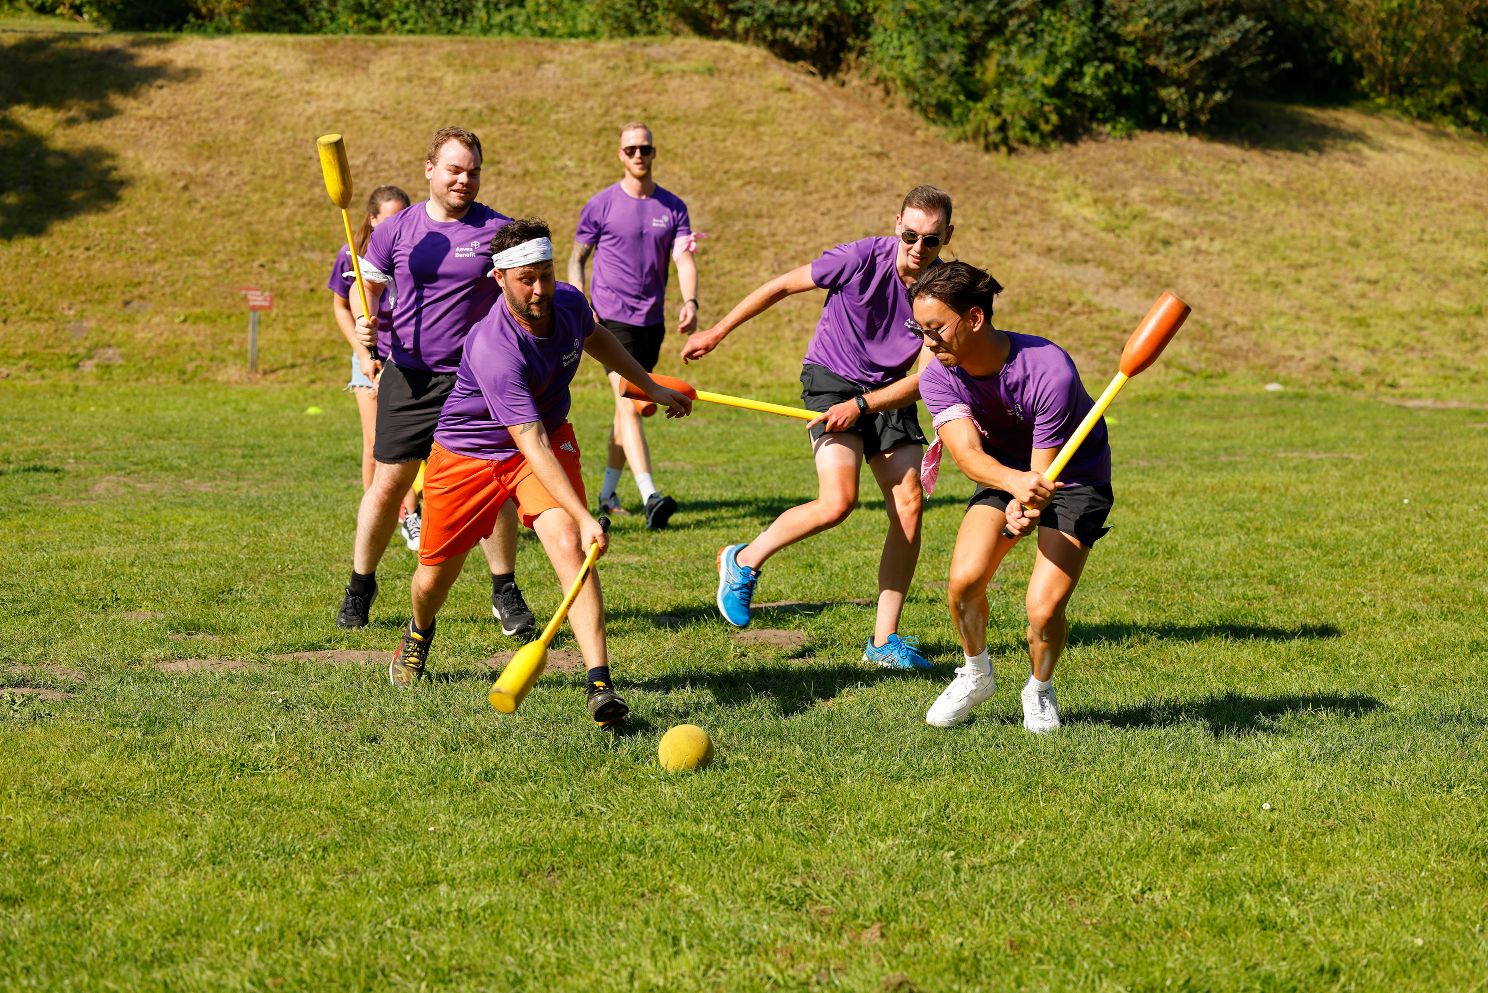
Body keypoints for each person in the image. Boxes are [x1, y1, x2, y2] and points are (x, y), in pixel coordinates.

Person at [387, 218, 693, 727]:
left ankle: (600, 685)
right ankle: (419, 631)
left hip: (545, 434)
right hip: (470, 454)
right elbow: (528, 444)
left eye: (545, 275)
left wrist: (648, 385)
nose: (539, 290)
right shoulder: (494, 346)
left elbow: (596, 338)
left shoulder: (568, 301)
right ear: (499, 279)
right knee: (433, 578)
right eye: (526, 279)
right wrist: (588, 514)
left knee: (570, 544)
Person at [679, 186, 953, 670]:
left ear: (946, 237)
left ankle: (883, 641)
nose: (918, 247)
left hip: (886, 392)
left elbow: (925, 376)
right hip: (832, 378)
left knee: (909, 504)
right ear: (897, 225)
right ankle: (742, 561)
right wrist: (717, 332)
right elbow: (782, 286)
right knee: (838, 502)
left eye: (930, 240)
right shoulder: (859, 258)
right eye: (910, 235)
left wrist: (870, 405)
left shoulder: (942, 292)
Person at [338, 127, 534, 637]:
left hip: (476, 380)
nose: (464, 180)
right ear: (430, 170)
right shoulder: (397, 229)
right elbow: (366, 287)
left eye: (473, 172)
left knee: (493, 486)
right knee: (388, 486)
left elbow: (527, 289)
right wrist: (364, 317)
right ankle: (360, 586)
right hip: (409, 377)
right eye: (454, 170)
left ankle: (505, 590)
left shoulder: (497, 230)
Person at [908, 261, 1114, 733]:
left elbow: (1042, 476)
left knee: (1043, 609)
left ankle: (1039, 688)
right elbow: (968, 455)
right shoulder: (938, 375)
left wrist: (1028, 502)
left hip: (1075, 478)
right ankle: (976, 672)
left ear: (975, 318)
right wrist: (1014, 490)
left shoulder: (1048, 369)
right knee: (964, 582)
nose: (927, 342)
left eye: (935, 329)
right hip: (1002, 473)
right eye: (919, 329)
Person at [569, 122, 699, 529]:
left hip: (651, 323)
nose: (638, 155)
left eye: (645, 148)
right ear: (620, 155)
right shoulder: (601, 205)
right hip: (609, 320)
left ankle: (607, 494)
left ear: (654, 152)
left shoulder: (673, 207)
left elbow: (684, 259)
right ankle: (650, 495)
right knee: (629, 402)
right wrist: (580, 302)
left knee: (624, 411)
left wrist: (691, 301)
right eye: (631, 149)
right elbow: (576, 259)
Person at [327, 184, 421, 550]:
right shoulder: (350, 255)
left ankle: (409, 515)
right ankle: (377, 515)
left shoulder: (414, 252)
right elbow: (340, 306)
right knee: (374, 445)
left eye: (403, 217)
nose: (398, 225)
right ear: (372, 219)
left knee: (402, 445)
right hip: (367, 355)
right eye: (390, 218)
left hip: (406, 357)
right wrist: (363, 352)